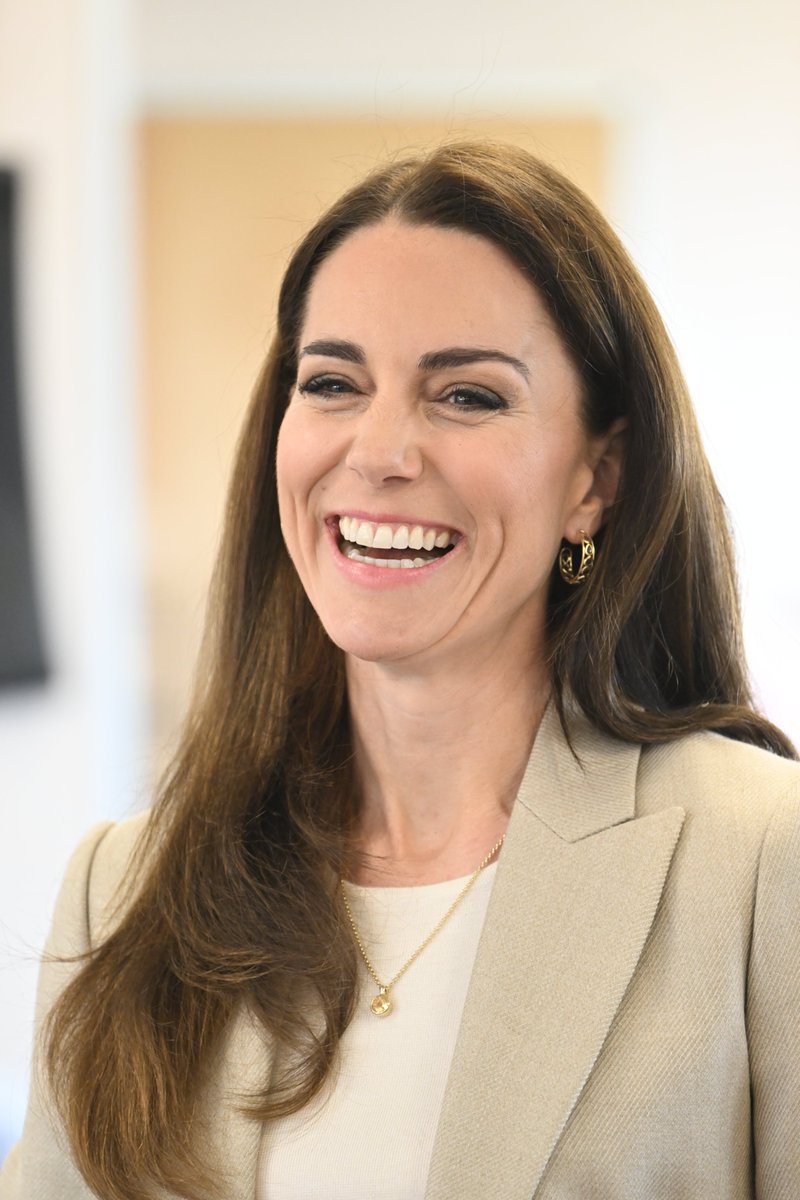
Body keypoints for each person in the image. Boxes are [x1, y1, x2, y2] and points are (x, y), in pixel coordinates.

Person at [2, 141, 799, 1200]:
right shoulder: (121, 890)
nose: (378, 452)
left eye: (466, 396)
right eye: (332, 383)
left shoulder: (761, 860)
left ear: (595, 480)